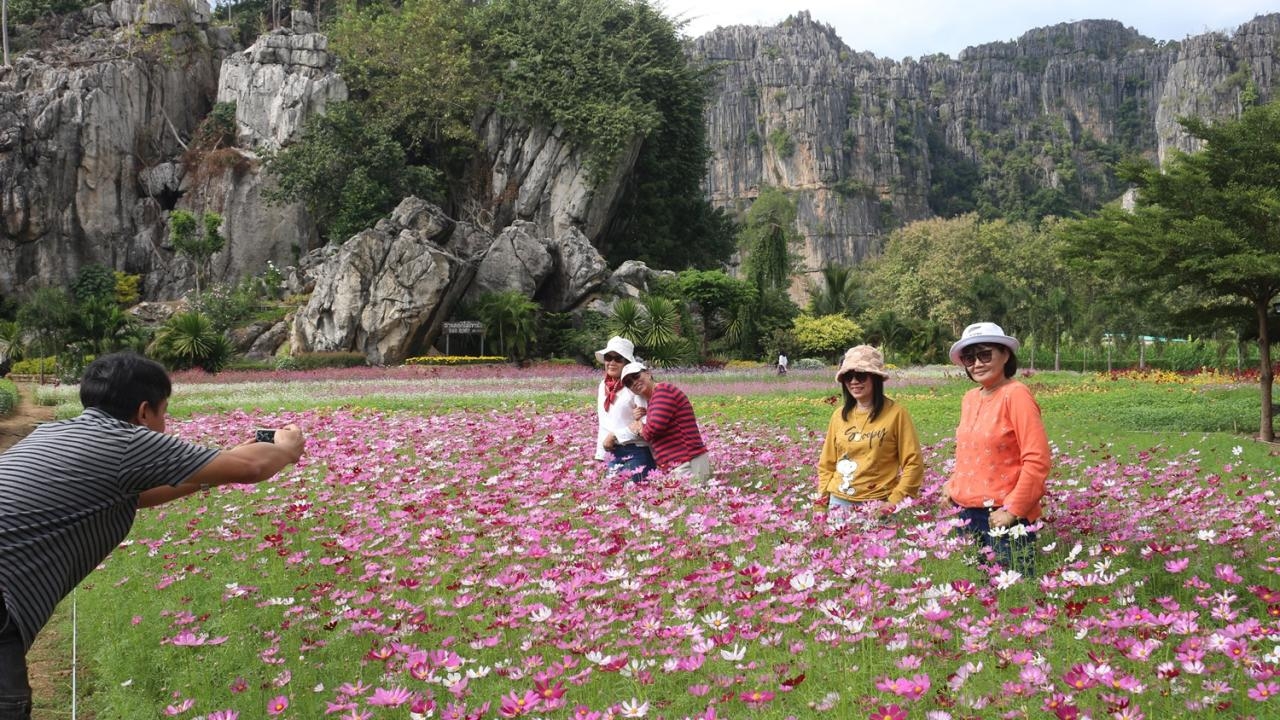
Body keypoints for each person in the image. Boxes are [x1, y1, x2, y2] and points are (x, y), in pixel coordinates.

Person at [0, 352, 305, 718]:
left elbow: (137, 496)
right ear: (144, 412)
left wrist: (212, 472)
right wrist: (286, 449)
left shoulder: (54, 432)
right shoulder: (127, 440)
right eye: (163, 412)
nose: (164, 422)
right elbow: (254, 466)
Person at [940, 322, 1051, 575]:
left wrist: (1013, 510)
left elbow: (1037, 459)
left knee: (1010, 598)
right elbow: (973, 452)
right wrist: (953, 483)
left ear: (1005, 354)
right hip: (966, 512)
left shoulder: (1016, 394)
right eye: (969, 358)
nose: (977, 363)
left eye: (985, 354)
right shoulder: (970, 398)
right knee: (974, 594)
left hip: (1002, 515)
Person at [816, 345, 923, 517]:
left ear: (875, 378)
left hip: (880, 502)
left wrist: (893, 502)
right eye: (848, 377)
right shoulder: (838, 416)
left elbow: (914, 463)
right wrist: (820, 503)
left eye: (861, 375)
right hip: (840, 500)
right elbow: (827, 464)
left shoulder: (896, 414)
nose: (854, 382)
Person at [620, 363, 712, 480]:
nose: (634, 382)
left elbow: (653, 430)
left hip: (687, 461)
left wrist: (639, 427)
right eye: (629, 383)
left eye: (636, 376)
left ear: (648, 373)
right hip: (677, 464)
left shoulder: (664, 391)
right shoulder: (652, 400)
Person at [594, 336, 656, 481]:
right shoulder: (603, 385)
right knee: (615, 500)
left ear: (627, 363)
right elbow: (604, 423)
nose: (611, 363)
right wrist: (600, 455)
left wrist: (615, 435)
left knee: (637, 498)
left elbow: (646, 423)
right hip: (611, 452)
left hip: (636, 451)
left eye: (618, 359)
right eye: (608, 357)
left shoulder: (635, 386)